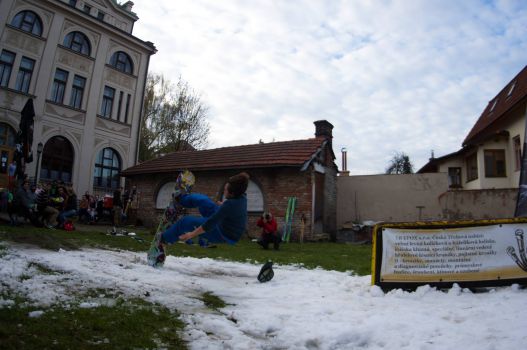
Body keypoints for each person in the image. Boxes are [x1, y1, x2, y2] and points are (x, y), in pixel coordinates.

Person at [160, 172, 250, 248]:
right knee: (203, 200)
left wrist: (191, 235)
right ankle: (181, 200)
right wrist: (224, 206)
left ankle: (163, 240)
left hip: (223, 234)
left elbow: (210, 224)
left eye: (225, 190)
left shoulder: (230, 204)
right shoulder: (241, 196)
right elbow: (234, 209)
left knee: (186, 222)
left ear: (232, 193)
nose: (224, 191)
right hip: (224, 221)